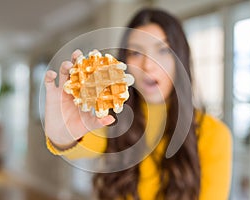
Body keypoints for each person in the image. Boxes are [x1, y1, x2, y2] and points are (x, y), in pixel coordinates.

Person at [44, 8, 232, 200]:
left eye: (163, 50)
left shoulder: (214, 134)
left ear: (180, 58)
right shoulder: (111, 120)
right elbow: (82, 142)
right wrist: (63, 136)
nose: (148, 65)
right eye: (135, 53)